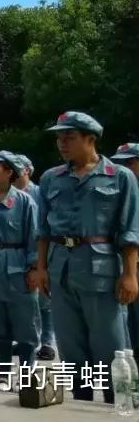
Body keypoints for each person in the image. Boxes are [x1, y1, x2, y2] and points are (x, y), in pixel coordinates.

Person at [32, 112, 139, 404]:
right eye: (59, 137)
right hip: (61, 268)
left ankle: (118, 401)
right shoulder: (52, 178)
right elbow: (43, 229)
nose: (62, 143)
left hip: (102, 271)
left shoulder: (120, 176)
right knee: (70, 344)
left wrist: (130, 275)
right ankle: (80, 400)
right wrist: (41, 268)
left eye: (70, 137)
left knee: (110, 344)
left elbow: (129, 231)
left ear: (90, 139)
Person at [0, 151, 39, 391]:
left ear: (9, 171)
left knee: (25, 325)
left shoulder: (24, 202)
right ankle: (3, 374)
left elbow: (34, 237)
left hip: (17, 266)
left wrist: (34, 267)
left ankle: (26, 375)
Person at [15, 154, 56, 361]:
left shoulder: (39, 192)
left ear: (27, 171)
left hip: (38, 249)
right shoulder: (9, 194)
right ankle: (26, 340)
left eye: (18, 167)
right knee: (22, 300)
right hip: (15, 252)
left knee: (43, 300)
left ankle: (47, 341)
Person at [113, 144, 139, 353]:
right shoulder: (118, 191)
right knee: (126, 318)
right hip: (123, 262)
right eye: (120, 163)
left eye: (130, 162)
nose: (125, 167)